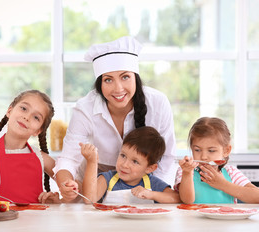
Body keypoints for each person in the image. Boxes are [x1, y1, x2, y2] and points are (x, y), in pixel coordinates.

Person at [50, 36, 176, 203]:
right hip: (94, 182)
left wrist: (153, 194)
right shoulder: (85, 108)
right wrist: (66, 184)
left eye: (125, 77)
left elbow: (167, 157)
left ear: (135, 78)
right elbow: (69, 158)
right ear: (99, 84)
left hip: (143, 184)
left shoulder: (158, 103)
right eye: (108, 80)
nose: (118, 88)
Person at [0, 90, 59, 204]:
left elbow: (74, 192)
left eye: (36, 117)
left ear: (38, 130)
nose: (27, 117)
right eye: (24, 109)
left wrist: (57, 201)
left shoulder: (43, 159)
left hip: (36, 222)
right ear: (9, 111)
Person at [174, 117, 259, 204]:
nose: (204, 157)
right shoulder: (185, 171)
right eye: (197, 150)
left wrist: (222, 184)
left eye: (211, 151)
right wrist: (187, 173)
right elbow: (187, 200)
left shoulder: (231, 173)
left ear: (226, 151)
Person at [81, 126, 180, 204]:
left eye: (135, 161)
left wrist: (151, 194)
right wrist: (92, 162)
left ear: (150, 168)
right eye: (123, 155)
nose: (125, 165)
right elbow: (89, 198)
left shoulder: (152, 183)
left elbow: (176, 198)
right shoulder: (107, 179)